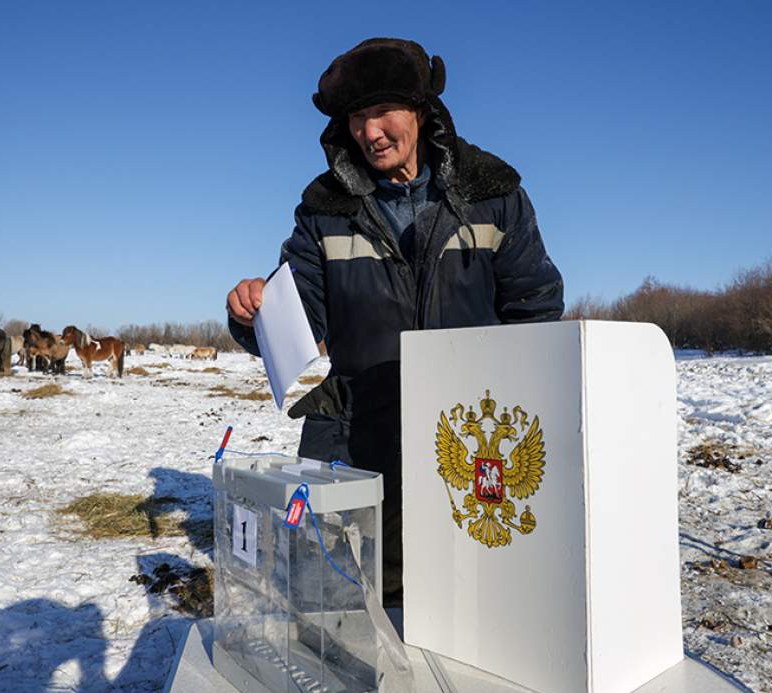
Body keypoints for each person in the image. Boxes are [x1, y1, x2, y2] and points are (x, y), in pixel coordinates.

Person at [226, 38, 564, 604]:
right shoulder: (323, 211)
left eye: (382, 112)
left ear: (421, 110)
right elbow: (297, 317)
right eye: (357, 118)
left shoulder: (494, 196)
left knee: (471, 599)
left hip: (468, 441)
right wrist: (252, 311)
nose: (370, 132)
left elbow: (535, 310)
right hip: (357, 441)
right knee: (354, 608)